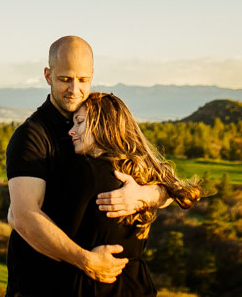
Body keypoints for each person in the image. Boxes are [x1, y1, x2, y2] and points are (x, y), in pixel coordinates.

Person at [6, 37, 170, 297]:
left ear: (92, 75)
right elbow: (24, 216)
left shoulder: (102, 122)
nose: (74, 89)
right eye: (64, 79)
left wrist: (142, 195)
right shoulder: (32, 136)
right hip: (37, 285)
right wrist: (85, 259)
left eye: (82, 80)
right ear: (48, 76)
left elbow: (167, 187)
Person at [65, 92, 201, 296]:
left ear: (103, 125)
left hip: (97, 286)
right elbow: (180, 192)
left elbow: (56, 231)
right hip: (137, 284)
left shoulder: (88, 171)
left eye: (80, 122)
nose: (71, 131)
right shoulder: (140, 172)